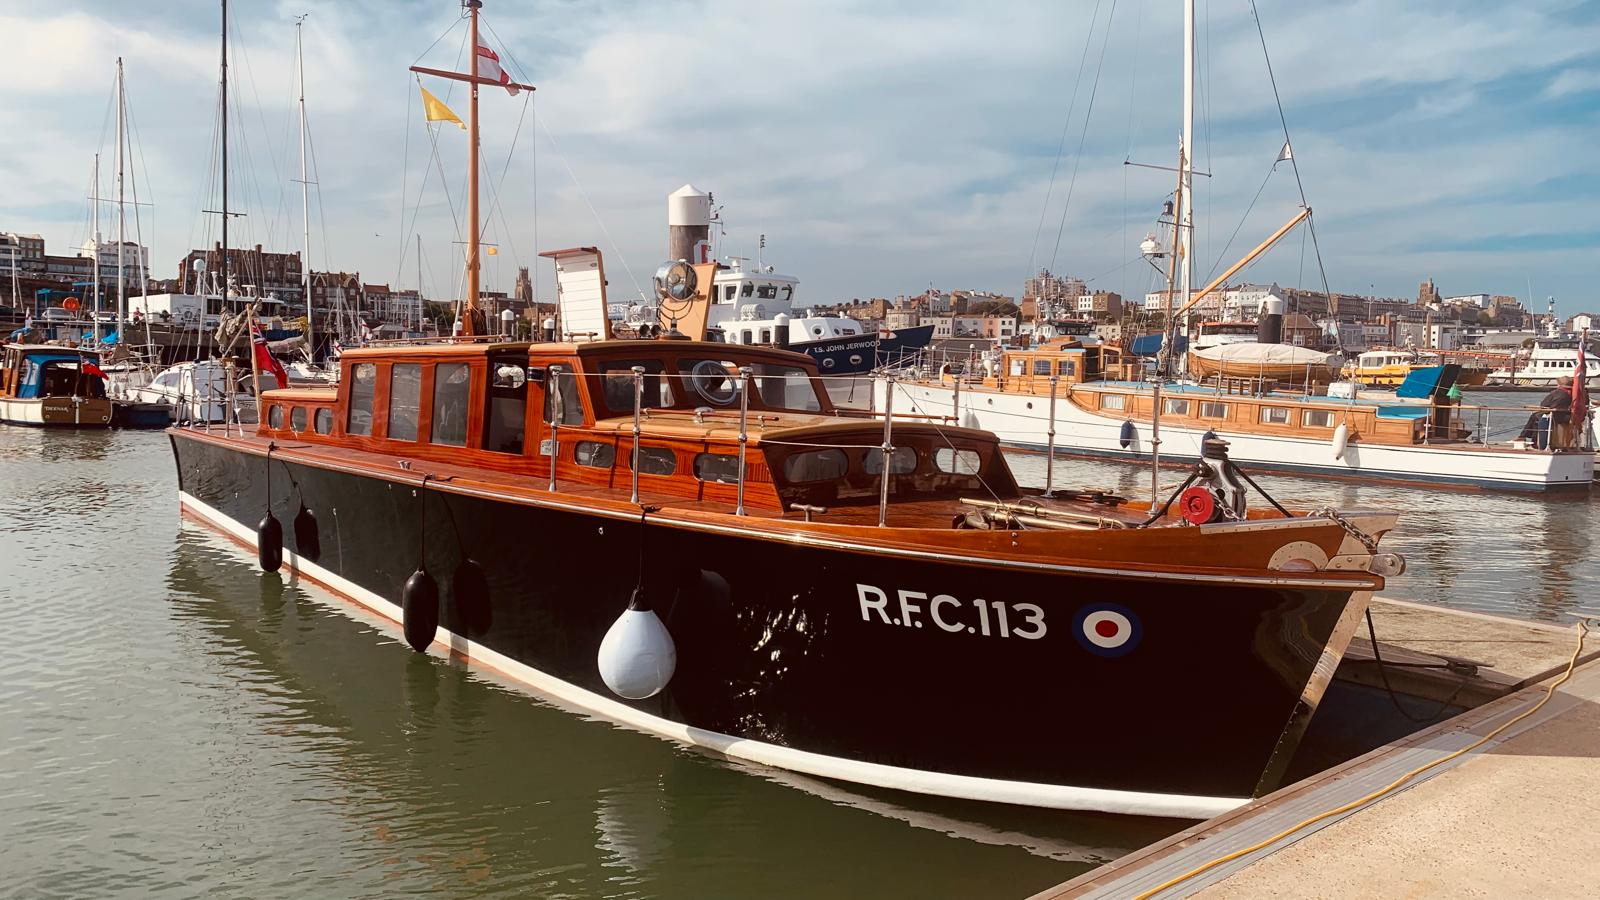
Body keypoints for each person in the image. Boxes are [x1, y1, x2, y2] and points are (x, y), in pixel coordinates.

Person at [1517, 375, 1574, 444]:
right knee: (1537, 416)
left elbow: (1543, 404)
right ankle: (1529, 439)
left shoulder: (1557, 393)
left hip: (1556, 415)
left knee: (1535, 416)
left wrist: (1546, 408)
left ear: (1559, 384)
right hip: (1568, 416)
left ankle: (1526, 438)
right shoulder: (1573, 393)